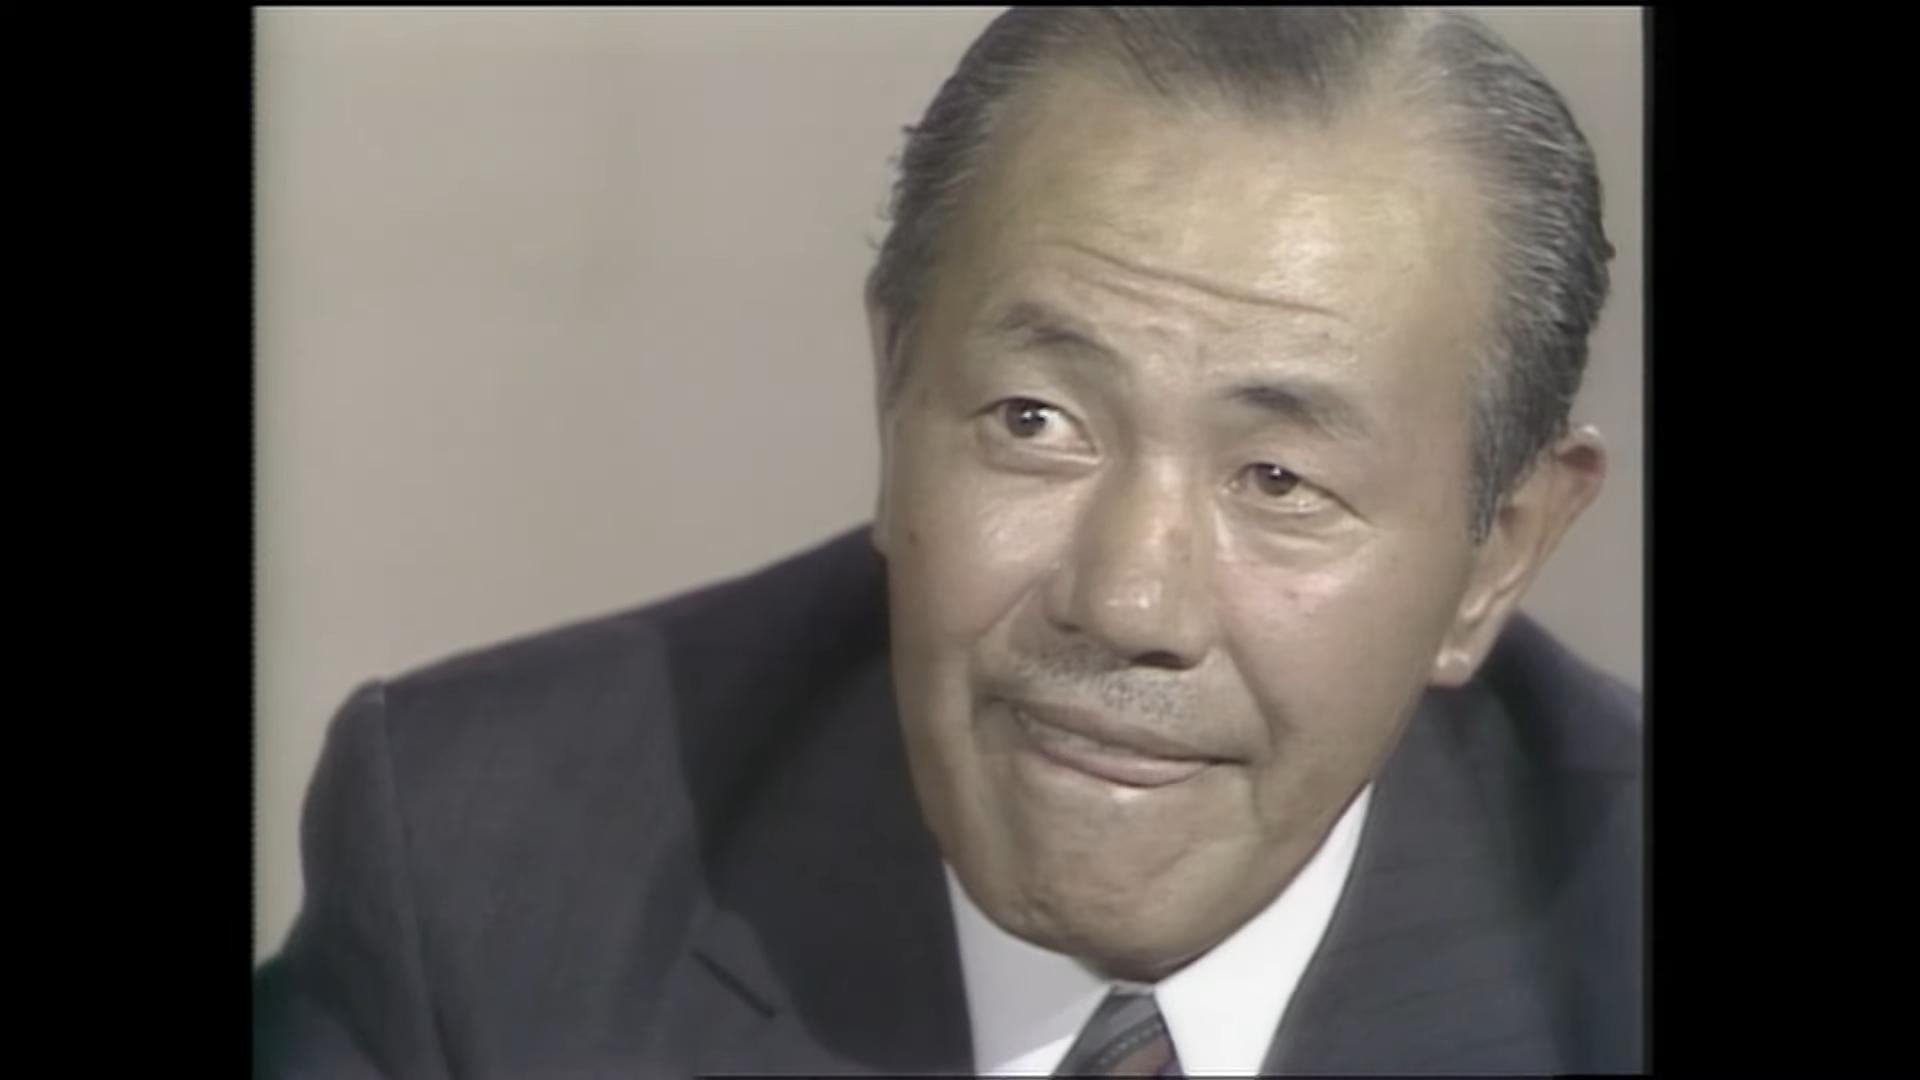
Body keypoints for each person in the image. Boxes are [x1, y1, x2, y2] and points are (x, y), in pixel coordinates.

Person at [254, 7, 1642, 1076]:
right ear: (896, 388)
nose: (1126, 598)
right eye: (1036, 420)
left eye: (1279, 478)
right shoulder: (480, 869)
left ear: (1497, 557)